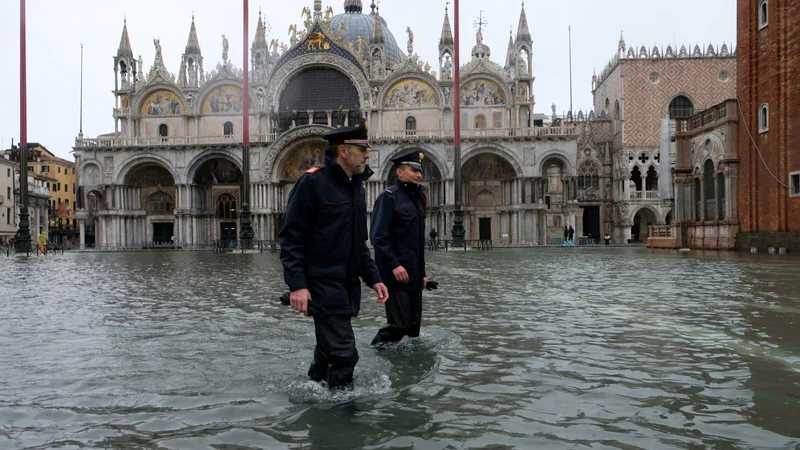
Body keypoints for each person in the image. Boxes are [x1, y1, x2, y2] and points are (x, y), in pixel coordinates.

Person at [278, 120, 389, 390]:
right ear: (343, 150)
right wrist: (298, 286)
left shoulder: (356, 188)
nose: (367, 154)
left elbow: (358, 243)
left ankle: (313, 390)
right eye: (362, 149)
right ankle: (343, 417)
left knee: (328, 352)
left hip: (346, 284)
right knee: (344, 355)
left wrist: (374, 278)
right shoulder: (312, 183)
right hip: (322, 284)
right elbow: (291, 238)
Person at [370, 152, 428, 346]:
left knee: (413, 329)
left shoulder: (418, 199)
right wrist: (394, 265)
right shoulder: (388, 198)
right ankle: (377, 351)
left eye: (420, 171)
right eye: (413, 170)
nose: (419, 175)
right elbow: (378, 237)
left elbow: (417, 243)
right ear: (400, 172)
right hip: (395, 274)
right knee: (398, 325)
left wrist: (423, 273)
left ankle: (407, 367)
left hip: (414, 274)